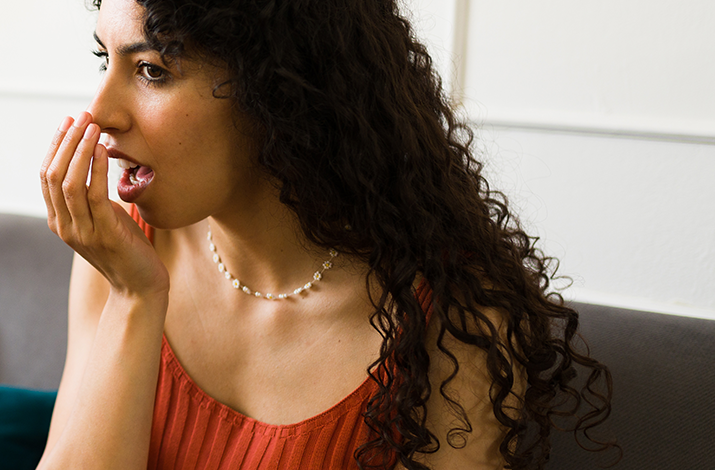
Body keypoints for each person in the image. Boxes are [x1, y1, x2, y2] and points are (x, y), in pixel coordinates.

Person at [35, 0, 615, 469]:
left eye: (151, 70)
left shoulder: (454, 325)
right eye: (104, 60)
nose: (100, 111)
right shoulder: (119, 256)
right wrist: (136, 300)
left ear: (279, 92)